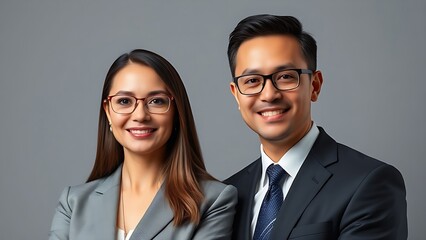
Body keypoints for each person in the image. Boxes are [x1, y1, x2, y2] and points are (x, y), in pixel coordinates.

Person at [224, 15, 407, 240]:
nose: (269, 94)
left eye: (285, 77)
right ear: (236, 94)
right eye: (252, 81)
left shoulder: (369, 183)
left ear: (315, 86)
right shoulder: (227, 195)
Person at [49, 49, 237, 240]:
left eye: (156, 101)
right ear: (108, 112)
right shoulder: (74, 203)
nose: (140, 115)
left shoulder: (212, 201)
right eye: (124, 101)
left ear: (176, 111)